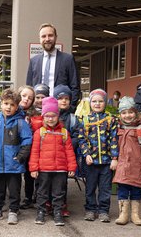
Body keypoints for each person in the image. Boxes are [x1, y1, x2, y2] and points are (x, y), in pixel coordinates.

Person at [0, 88, 32, 225]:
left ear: (17, 106)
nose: (9, 107)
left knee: (14, 189)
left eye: (12, 105)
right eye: (6, 104)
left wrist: (21, 156)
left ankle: (13, 210)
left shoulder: (21, 123)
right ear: (1, 104)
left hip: (14, 164)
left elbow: (27, 140)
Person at [29, 97, 77, 226]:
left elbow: (69, 152)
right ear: (43, 117)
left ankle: (58, 212)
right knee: (42, 192)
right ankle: (41, 211)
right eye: (47, 116)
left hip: (60, 169)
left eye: (53, 116)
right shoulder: (39, 132)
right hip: (44, 169)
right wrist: (33, 168)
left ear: (58, 116)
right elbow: (34, 152)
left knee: (58, 193)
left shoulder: (64, 132)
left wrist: (72, 167)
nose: (50, 119)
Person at [78, 89, 119, 223]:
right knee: (90, 187)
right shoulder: (85, 119)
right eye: (94, 101)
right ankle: (90, 209)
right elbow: (81, 139)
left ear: (105, 102)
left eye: (100, 101)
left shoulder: (110, 119)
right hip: (91, 162)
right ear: (90, 103)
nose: (97, 104)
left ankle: (103, 211)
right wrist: (86, 154)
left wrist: (114, 158)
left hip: (106, 163)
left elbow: (114, 139)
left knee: (105, 189)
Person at [26, 23, 80, 111]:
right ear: (40, 39)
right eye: (43, 36)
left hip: (61, 111)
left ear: (56, 37)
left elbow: (75, 87)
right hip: (38, 111)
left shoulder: (68, 59)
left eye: (50, 35)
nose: (47, 39)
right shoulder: (34, 61)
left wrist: (70, 108)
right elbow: (29, 87)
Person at [112, 96, 141, 226]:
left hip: (136, 166)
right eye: (124, 112)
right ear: (120, 114)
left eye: (130, 112)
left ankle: (135, 215)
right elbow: (113, 145)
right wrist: (114, 159)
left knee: (137, 190)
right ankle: (123, 214)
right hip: (122, 166)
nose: (127, 115)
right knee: (122, 190)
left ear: (136, 113)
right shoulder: (118, 128)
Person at [53, 84, 79, 217]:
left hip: (64, 156)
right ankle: (47, 204)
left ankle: (62, 205)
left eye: (67, 98)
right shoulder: (49, 116)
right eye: (60, 98)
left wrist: (66, 146)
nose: (64, 101)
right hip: (50, 156)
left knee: (62, 183)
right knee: (46, 182)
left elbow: (76, 136)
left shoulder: (73, 119)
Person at [18, 85, 36, 210]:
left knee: (29, 175)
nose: (26, 99)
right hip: (14, 147)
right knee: (14, 175)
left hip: (29, 148)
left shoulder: (35, 114)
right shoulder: (11, 110)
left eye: (30, 98)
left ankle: (28, 197)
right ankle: (14, 198)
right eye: (23, 96)